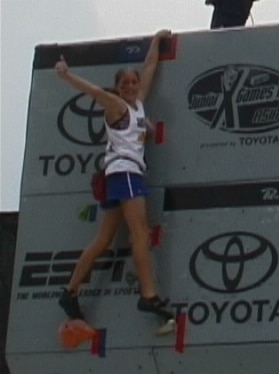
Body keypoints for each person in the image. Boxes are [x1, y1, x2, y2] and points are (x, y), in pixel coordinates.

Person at [54, 29, 174, 326]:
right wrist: (66, 75)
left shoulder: (138, 104)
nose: (132, 86)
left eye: (133, 83)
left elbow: (149, 67)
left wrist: (157, 41)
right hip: (125, 173)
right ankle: (148, 295)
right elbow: (95, 92)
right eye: (125, 83)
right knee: (141, 233)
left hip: (115, 175)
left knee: (105, 239)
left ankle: (70, 292)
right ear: (118, 88)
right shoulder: (118, 106)